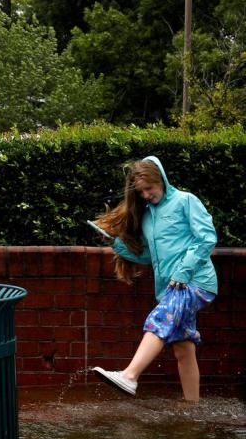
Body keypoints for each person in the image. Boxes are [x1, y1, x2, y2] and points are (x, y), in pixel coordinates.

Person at [90, 156, 218, 402]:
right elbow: (151, 256)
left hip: (195, 282)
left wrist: (184, 270)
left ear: (161, 180)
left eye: (149, 188)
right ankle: (193, 407)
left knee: (160, 319)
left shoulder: (185, 201)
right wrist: (117, 244)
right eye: (141, 192)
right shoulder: (148, 216)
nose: (146, 195)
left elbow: (207, 238)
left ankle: (129, 376)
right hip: (172, 287)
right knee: (183, 348)